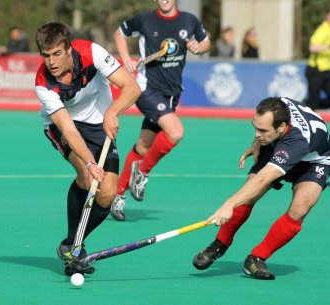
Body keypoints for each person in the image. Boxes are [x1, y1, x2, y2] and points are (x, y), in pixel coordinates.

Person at [34, 21, 141, 275]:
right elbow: (69, 130)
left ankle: (71, 243)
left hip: (99, 123)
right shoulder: (43, 84)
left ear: (69, 49)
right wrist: (91, 163)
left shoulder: (92, 53)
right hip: (62, 126)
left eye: (57, 54)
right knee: (85, 172)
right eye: (46, 56)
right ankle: (75, 248)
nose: (52, 62)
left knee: (107, 193)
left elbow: (132, 87)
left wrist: (113, 112)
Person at [192, 97, 330, 280]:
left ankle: (256, 258)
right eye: (255, 128)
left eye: (262, 131)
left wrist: (228, 204)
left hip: (313, 162)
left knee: (300, 208)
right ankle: (219, 244)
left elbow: (263, 179)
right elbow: (264, 132)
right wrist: (256, 143)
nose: (257, 133)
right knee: (250, 194)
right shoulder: (278, 106)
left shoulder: (298, 140)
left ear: (282, 126)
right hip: (276, 143)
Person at [110, 0, 211, 221]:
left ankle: (117, 194)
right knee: (175, 132)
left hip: (172, 94)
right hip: (147, 90)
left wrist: (199, 47)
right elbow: (119, 33)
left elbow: (206, 43)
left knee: (143, 146)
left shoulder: (189, 20)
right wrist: (126, 59)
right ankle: (142, 172)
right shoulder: (145, 20)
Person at [305, 7, 330, 110]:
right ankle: (308, 107)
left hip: (325, 71)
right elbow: (312, 47)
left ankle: (306, 106)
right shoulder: (323, 29)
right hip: (315, 71)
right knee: (313, 103)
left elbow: (325, 49)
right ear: (327, 17)